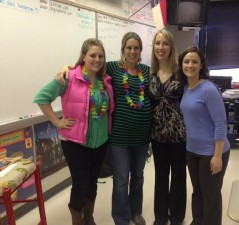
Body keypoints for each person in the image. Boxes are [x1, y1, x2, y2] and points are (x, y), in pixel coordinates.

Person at [56, 32, 152, 225]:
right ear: (123, 50)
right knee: (121, 179)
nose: (132, 51)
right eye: (129, 47)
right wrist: (66, 67)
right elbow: (88, 66)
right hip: (119, 137)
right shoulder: (113, 68)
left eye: (136, 48)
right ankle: (121, 218)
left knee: (139, 177)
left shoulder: (147, 71)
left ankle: (136, 212)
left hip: (142, 136)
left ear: (141, 50)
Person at [34, 38, 114, 225]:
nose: (97, 59)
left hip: (100, 141)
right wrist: (57, 122)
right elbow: (42, 98)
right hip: (75, 143)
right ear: (83, 57)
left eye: (100, 56)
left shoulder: (106, 81)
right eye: (92, 55)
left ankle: (89, 218)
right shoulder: (69, 78)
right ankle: (77, 220)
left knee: (92, 182)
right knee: (80, 184)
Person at [178, 46, 230, 225]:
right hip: (192, 150)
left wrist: (217, 156)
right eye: (186, 61)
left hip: (211, 152)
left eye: (194, 62)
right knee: (197, 191)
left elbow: (221, 124)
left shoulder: (209, 90)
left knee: (211, 195)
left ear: (201, 65)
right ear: (181, 65)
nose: (190, 65)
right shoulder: (186, 89)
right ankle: (198, 221)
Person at [148, 29, 186, 225]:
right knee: (160, 178)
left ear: (171, 47)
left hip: (179, 136)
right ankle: (160, 218)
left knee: (178, 178)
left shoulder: (181, 73)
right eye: (157, 43)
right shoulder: (150, 73)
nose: (161, 47)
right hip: (157, 136)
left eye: (165, 43)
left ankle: (177, 218)